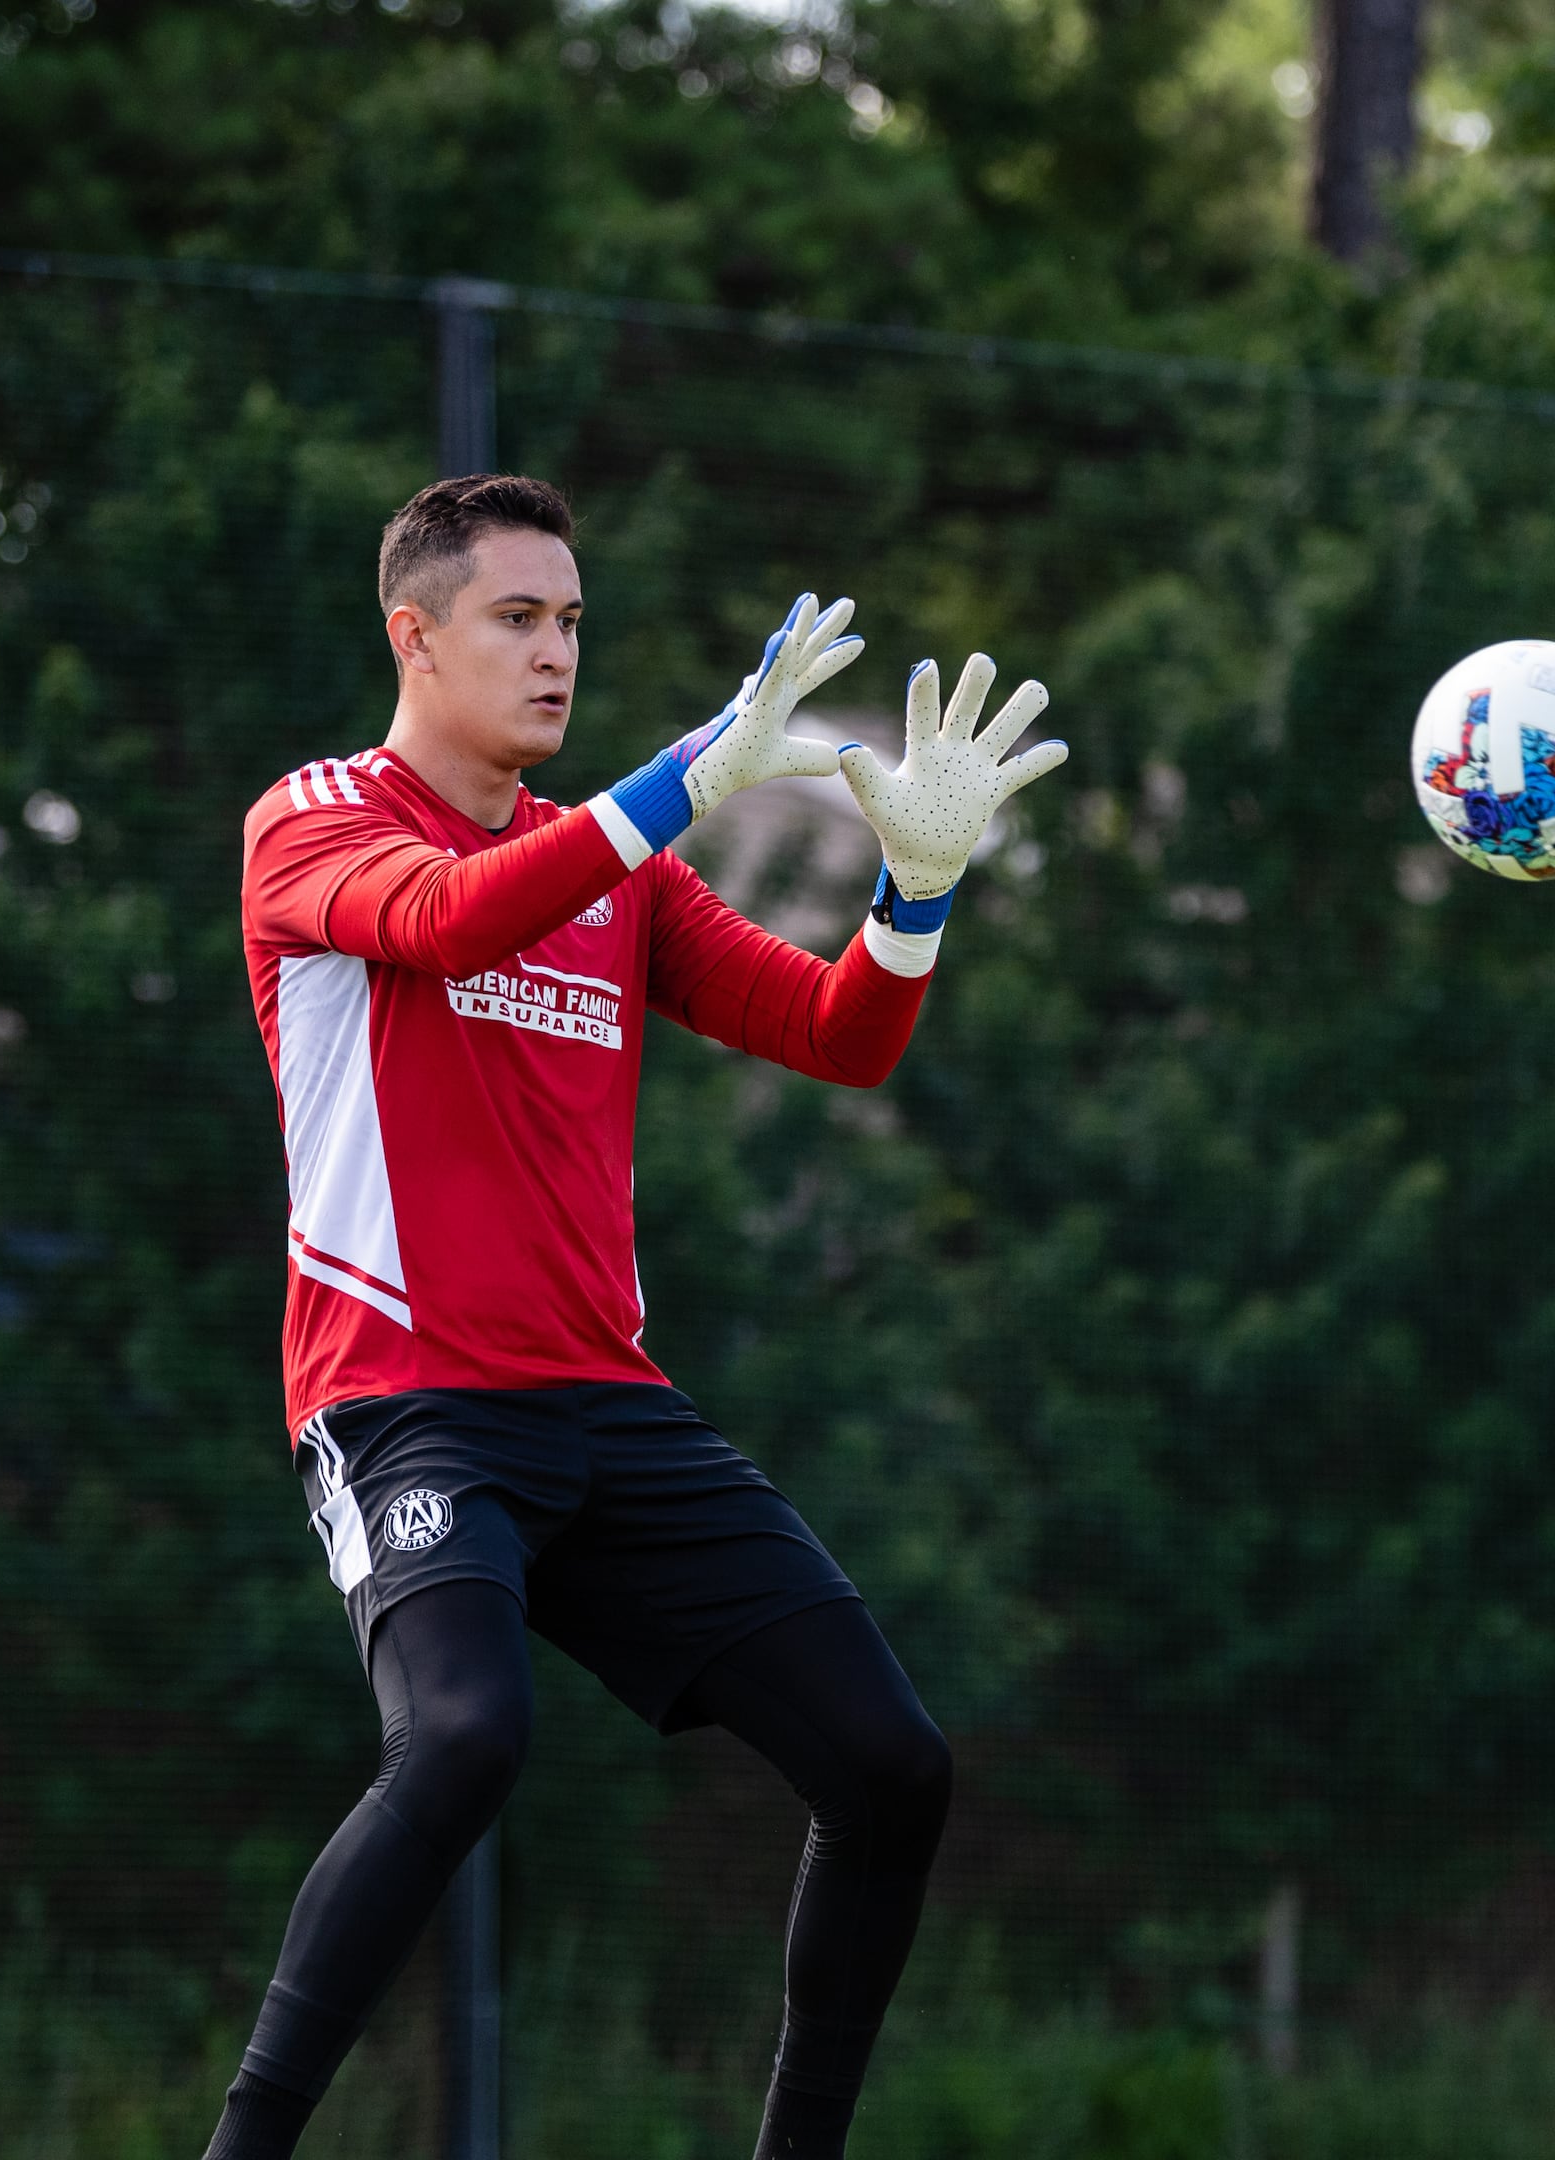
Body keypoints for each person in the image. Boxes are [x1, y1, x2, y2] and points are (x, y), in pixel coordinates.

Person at [204, 473, 1069, 2160]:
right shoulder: (315, 818)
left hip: (606, 1408)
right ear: (416, 636)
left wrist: (916, 894)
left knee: (895, 1769)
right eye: (517, 619)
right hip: (405, 1401)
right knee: (463, 1735)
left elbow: (841, 1037)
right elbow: (448, 919)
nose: (555, 654)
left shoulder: (610, 875)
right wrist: (680, 780)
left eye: (573, 623)